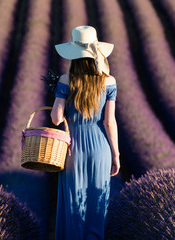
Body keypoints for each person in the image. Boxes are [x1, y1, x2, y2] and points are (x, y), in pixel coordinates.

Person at [51, 26, 120, 240]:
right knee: (97, 206)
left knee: (73, 206)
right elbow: (109, 122)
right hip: (101, 147)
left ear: (73, 54)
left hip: (74, 148)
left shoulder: (65, 80)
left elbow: (55, 118)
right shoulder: (109, 81)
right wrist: (116, 155)